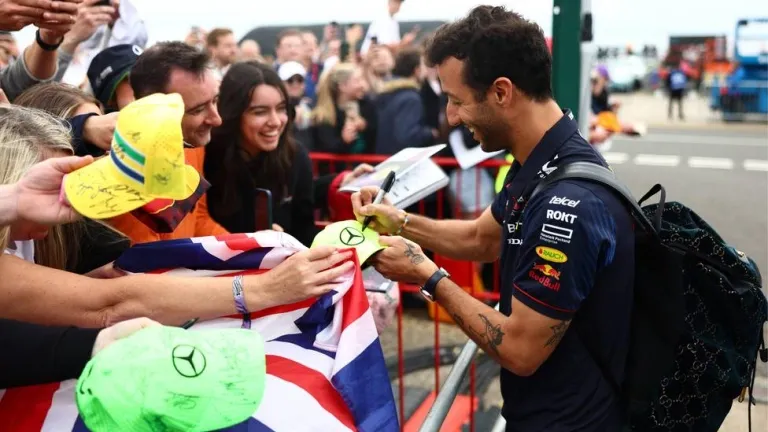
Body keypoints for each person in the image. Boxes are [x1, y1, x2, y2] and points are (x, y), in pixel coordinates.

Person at [352, 6, 635, 431]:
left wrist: (426, 275)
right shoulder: (541, 159)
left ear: (502, 92)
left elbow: (521, 350)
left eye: (456, 100)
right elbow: (482, 238)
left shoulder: (567, 203)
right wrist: (399, 221)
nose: (450, 117)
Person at [0, 105, 354, 328]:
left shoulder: (31, 224)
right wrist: (267, 288)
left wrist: (18, 200)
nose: (61, 201)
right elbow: (111, 303)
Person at [112, 41, 229, 243]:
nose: (217, 119)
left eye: (215, 100)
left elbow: (198, 221)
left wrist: (258, 247)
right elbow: (151, 258)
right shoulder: (126, 174)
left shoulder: (191, 144)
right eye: (198, 110)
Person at [205, 61, 318, 246]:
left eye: (281, 108)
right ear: (233, 113)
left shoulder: (295, 156)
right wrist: (251, 243)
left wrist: (285, 242)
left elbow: (304, 230)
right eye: (260, 112)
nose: (275, 121)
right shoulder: (207, 159)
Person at [375, 47, 438, 154]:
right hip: (400, 159)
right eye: (423, 66)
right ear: (417, 70)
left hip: (385, 158)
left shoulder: (386, 92)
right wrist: (430, 133)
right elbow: (407, 135)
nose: (425, 71)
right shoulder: (410, 98)